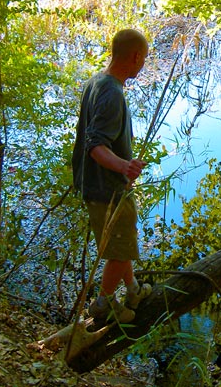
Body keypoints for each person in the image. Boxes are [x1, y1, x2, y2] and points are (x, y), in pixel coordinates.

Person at [72, 29, 152, 324]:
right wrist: (124, 167)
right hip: (107, 188)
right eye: (143, 58)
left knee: (122, 243)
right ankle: (103, 306)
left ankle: (132, 290)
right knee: (119, 250)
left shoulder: (97, 81)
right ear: (135, 56)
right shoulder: (112, 93)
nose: (143, 63)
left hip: (94, 183)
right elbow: (95, 146)